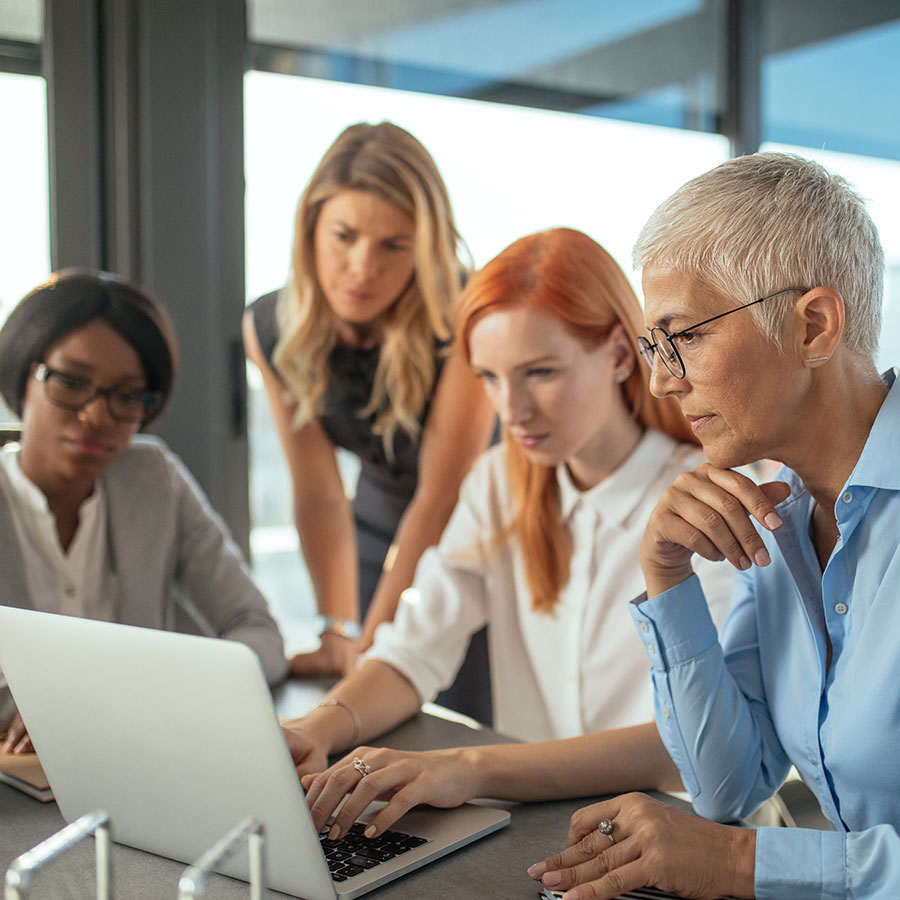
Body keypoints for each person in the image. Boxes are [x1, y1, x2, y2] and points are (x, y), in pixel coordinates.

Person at [282, 227, 734, 841]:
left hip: (679, 837)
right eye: (489, 378)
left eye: (539, 372)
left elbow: (695, 742)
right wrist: (318, 727)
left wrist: (469, 768)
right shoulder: (500, 483)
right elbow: (414, 649)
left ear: (621, 355)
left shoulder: (710, 495)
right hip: (539, 833)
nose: (512, 410)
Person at [528, 153, 898, 900]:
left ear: (815, 327)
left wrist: (736, 864)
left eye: (685, 336)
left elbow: (725, 838)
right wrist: (666, 577)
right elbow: (727, 786)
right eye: (653, 346)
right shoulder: (780, 514)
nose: (663, 380)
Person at [243, 122, 495, 718]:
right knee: (360, 694)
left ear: (425, 247)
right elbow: (318, 491)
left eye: (393, 246)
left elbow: (440, 496)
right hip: (378, 513)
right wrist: (339, 631)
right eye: (344, 236)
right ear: (310, 230)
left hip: (480, 516)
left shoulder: (467, 311)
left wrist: (377, 648)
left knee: (446, 702)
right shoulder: (270, 325)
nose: (361, 267)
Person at [0, 269, 288, 753]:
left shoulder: (153, 478)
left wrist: (135, 699)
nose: (96, 415)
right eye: (71, 382)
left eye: (127, 395)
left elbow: (257, 632)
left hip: (140, 759)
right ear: (22, 373)